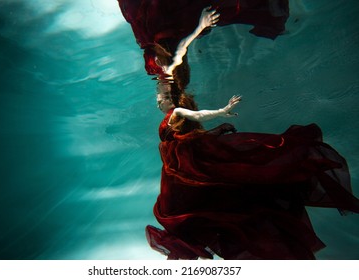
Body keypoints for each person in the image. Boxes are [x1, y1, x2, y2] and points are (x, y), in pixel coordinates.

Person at [146, 85, 359, 260]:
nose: (158, 100)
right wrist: (216, 130)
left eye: (161, 96)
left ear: (172, 98)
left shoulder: (176, 112)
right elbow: (190, 138)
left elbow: (197, 116)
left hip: (181, 167)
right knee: (189, 208)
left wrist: (221, 112)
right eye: (158, 96)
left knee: (185, 210)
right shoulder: (176, 123)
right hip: (177, 168)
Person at [118, 0, 290, 79]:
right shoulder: (167, 66)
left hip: (165, 28)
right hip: (171, 28)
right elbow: (181, 50)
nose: (159, 98)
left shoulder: (150, 44)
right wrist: (200, 26)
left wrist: (200, 26)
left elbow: (180, 51)